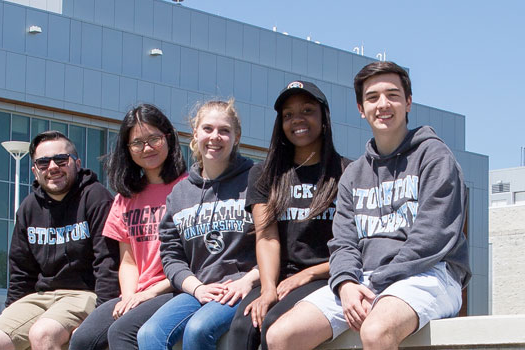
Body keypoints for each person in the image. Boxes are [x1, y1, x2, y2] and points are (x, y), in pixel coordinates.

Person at [267, 61, 471, 350]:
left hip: (430, 273)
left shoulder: (434, 157)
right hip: (364, 279)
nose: (383, 104)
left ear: (408, 102)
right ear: (361, 109)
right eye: (372, 98)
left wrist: (375, 284)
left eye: (392, 95)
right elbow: (343, 243)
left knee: (375, 331)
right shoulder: (354, 173)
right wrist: (346, 284)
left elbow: (432, 239)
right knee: (281, 336)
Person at [226, 81, 349, 350]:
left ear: (324, 117)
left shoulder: (347, 172)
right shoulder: (264, 174)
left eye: (307, 110)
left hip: (325, 276)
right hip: (279, 276)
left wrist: (310, 274)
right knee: (242, 327)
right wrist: (268, 288)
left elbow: (357, 246)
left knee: (273, 323)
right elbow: (266, 236)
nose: (297, 120)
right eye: (288, 115)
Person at [0, 131, 119, 350]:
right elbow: (21, 271)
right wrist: (13, 312)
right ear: (35, 170)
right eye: (43, 162)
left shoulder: (96, 197)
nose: (52, 167)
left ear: (77, 163)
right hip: (41, 297)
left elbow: (108, 262)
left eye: (61, 160)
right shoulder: (29, 207)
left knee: (42, 334)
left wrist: (101, 318)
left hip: (85, 294)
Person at [137, 99, 260, 350]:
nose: (215, 137)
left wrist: (249, 280)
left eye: (224, 130)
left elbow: (275, 240)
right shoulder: (180, 193)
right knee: (149, 334)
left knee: (198, 330)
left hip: (241, 286)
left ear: (236, 137)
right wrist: (197, 288)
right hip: (199, 288)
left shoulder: (256, 180)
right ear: (195, 134)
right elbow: (171, 256)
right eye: (208, 129)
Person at [70, 104, 187, 350]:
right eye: (137, 143)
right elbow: (129, 260)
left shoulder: (188, 188)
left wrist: (149, 294)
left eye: (154, 139)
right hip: (138, 292)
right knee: (81, 339)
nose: (147, 148)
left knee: (122, 332)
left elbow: (194, 259)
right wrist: (130, 296)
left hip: (175, 288)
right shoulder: (126, 197)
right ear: (127, 149)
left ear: (168, 138)